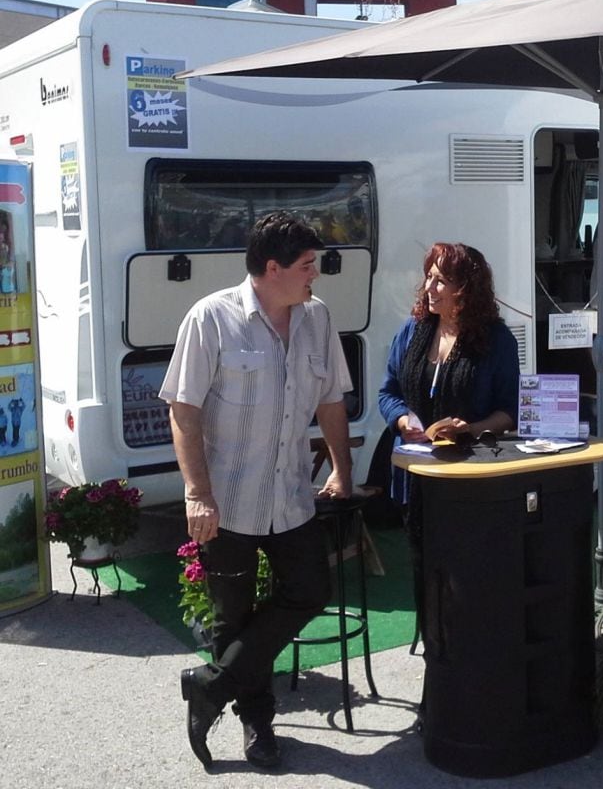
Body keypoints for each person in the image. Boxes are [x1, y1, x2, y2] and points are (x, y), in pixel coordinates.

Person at [159, 211, 353, 772]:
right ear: (273, 268)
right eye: (307, 265)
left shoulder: (317, 318)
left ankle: (210, 687)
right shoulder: (212, 319)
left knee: (310, 589)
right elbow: (184, 410)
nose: (315, 275)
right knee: (232, 620)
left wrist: (340, 469)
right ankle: (257, 727)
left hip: (291, 495)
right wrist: (198, 494)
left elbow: (331, 401)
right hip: (228, 502)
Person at [377, 243, 519, 648]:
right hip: (416, 477)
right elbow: (388, 392)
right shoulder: (413, 330)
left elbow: (510, 411)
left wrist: (471, 428)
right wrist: (405, 420)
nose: (430, 287)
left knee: (466, 576)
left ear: (466, 289)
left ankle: (468, 657)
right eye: (429, 277)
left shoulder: (497, 340)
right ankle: (434, 658)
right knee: (424, 570)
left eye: (442, 280)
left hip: (469, 481)